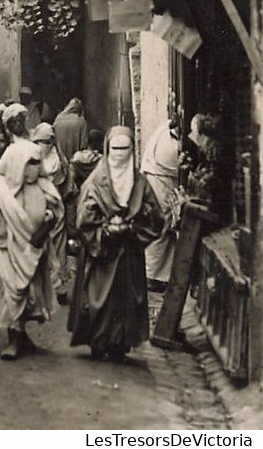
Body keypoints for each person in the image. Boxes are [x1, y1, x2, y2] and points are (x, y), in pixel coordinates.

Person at [68, 126, 164, 361]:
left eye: (125, 149)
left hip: (129, 252)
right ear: (107, 149)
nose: (120, 154)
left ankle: (120, 344)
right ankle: (99, 341)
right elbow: (83, 218)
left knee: (127, 299)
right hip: (102, 252)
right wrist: (105, 230)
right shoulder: (95, 182)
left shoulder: (140, 183)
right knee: (100, 298)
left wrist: (133, 230)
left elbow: (156, 217)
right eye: (115, 149)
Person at [0, 140, 63, 360]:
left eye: (36, 162)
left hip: (34, 249)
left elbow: (56, 214)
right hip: (6, 247)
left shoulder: (45, 186)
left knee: (31, 293)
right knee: (10, 292)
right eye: (29, 163)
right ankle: (13, 339)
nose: (34, 167)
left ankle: (21, 334)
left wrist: (44, 228)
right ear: (16, 164)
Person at [31, 122, 74, 303]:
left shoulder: (54, 161)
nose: (45, 145)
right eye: (42, 141)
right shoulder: (37, 158)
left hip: (51, 207)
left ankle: (57, 286)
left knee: (55, 247)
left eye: (48, 142)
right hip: (39, 207)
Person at [141, 118, 181, 290]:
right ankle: (152, 275)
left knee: (161, 231)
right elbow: (172, 167)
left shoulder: (163, 129)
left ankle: (158, 274)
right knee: (160, 229)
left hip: (156, 183)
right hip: (160, 186)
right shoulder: (168, 143)